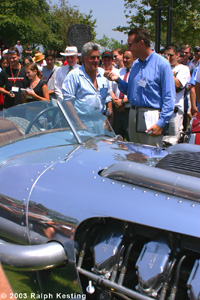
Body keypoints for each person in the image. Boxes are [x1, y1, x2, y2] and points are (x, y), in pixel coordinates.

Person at [105, 27, 175, 147]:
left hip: (151, 117)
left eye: (130, 44)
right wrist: (118, 80)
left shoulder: (162, 64)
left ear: (141, 43)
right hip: (133, 115)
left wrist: (161, 124)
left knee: (150, 157)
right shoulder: (136, 64)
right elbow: (130, 91)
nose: (128, 48)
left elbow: (169, 98)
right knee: (135, 156)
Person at [62, 42, 113, 129]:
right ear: (84, 58)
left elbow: (108, 99)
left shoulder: (103, 74)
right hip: (83, 122)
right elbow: (68, 101)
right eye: (92, 58)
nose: (96, 60)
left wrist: (109, 121)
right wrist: (80, 125)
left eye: (98, 57)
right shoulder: (74, 75)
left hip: (101, 122)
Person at [163, 44, 190, 144]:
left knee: (173, 141)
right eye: (165, 55)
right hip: (161, 110)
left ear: (178, 55)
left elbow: (178, 85)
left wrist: (167, 69)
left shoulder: (183, 69)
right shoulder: (161, 67)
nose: (168, 58)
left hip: (175, 111)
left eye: (170, 55)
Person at [112, 50, 136, 140]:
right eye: (124, 57)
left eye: (128, 58)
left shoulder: (136, 72)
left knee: (130, 138)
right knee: (116, 139)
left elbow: (135, 92)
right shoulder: (119, 72)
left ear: (134, 59)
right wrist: (116, 101)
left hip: (129, 110)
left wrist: (123, 102)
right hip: (117, 110)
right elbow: (111, 89)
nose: (125, 60)